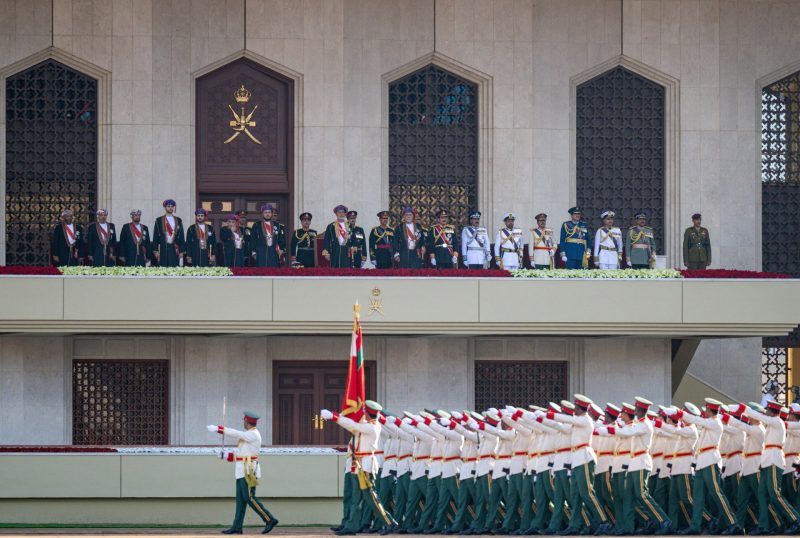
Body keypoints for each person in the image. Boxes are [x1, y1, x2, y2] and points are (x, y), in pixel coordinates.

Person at [321, 401, 396, 536]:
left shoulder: (373, 427)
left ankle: (389, 522)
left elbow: (353, 425)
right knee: (356, 498)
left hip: (367, 465)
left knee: (371, 498)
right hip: (359, 465)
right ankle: (351, 526)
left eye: (364, 412)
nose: (363, 414)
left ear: (368, 413)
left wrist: (334, 416)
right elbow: (353, 427)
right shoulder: (366, 426)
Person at [206, 411, 279, 535]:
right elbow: (241, 455)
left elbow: (236, 433)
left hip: (249, 471)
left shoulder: (253, 434)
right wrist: (226, 455)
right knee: (241, 501)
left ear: (248, 422)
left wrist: (220, 429)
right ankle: (237, 527)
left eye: (244, 421)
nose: (243, 423)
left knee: (249, 497)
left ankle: (270, 519)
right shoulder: (248, 435)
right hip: (241, 471)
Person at [152, 199, 185, 267]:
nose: (170, 208)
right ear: (165, 207)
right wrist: (155, 250)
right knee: (162, 267)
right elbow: (155, 236)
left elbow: (181, 236)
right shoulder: (159, 220)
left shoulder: (178, 220)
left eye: (172, 206)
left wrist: (182, 250)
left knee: (174, 266)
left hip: (175, 248)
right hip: (163, 247)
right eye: (168, 206)